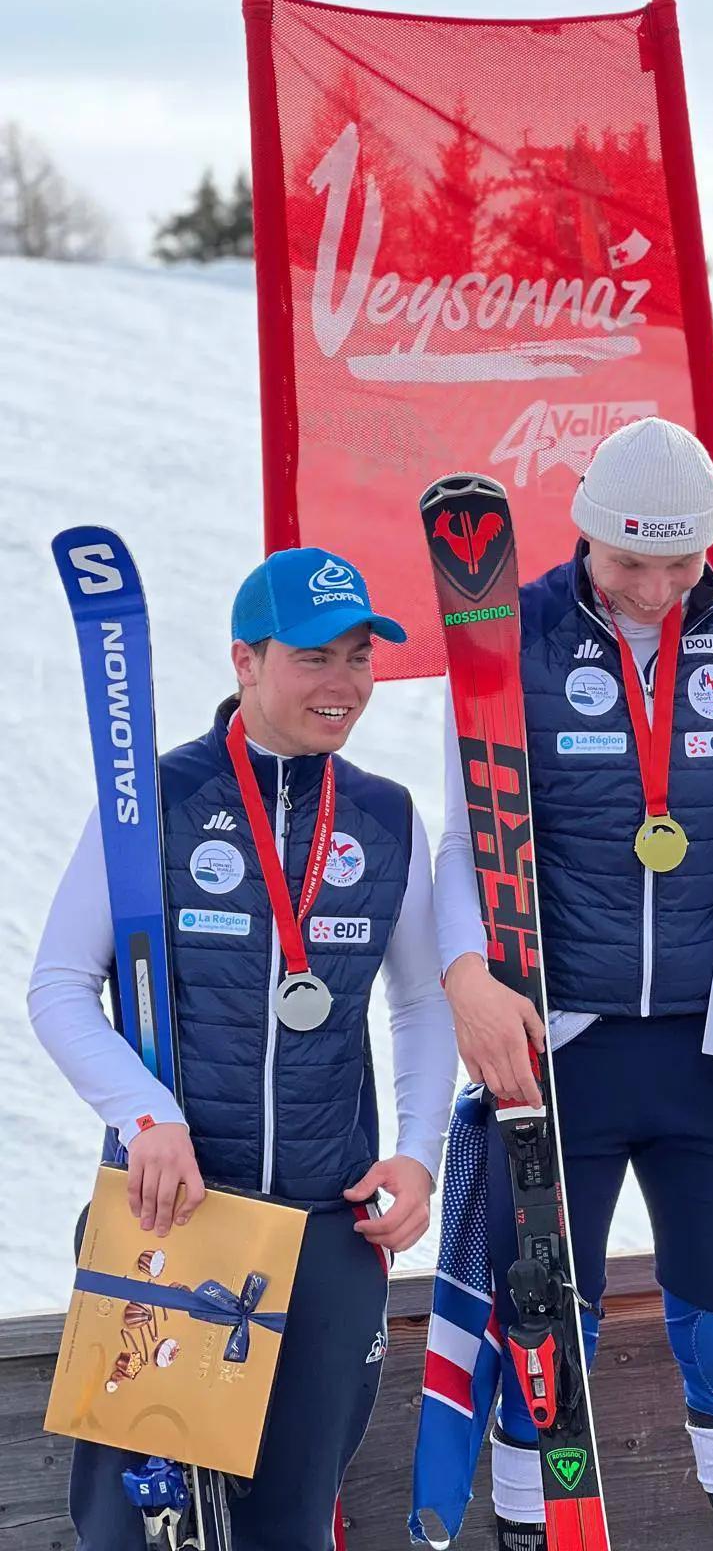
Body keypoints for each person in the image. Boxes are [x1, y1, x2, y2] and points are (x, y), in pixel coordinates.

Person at [432, 416, 713, 1551]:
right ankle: (533, 1533)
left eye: (682, 561)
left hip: (709, 1054)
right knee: (549, 1336)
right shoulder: (510, 634)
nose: (657, 587)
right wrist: (468, 974)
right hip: (564, 1044)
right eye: (630, 561)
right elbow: (464, 835)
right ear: (584, 536)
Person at [29, 547, 458, 1551]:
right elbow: (58, 987)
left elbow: (424, 1004)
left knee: (290, 1524)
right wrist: (147, 1119)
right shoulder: (156, 802)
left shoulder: (384, 816)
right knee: (139, 1529)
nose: (344, 684)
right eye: (314, 657)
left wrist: (419, 1151)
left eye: (359, 657)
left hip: (323, 1232)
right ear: (245, 661)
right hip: (173, 1220)